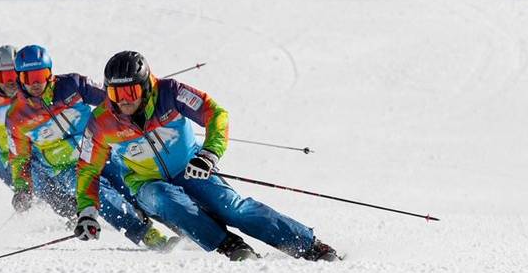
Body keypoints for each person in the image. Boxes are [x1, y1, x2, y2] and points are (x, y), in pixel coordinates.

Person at [75, 51, 339, 261]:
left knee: (233, 209)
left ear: (146, 86)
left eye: (130, 92)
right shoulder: (101, 122)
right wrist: (87, 211)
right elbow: (88, 168)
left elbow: (216, 114)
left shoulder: (170, 93)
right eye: (115, 93)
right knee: (165, 198)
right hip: (145, 183)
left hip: (191, 168)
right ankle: (228, 244)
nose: (123, 100)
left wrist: (209, 154)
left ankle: (307, 245)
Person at [6, 45, 175, 250]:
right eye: (28, 78)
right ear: (19, 78)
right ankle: (148, 235)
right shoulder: (16, 116)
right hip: (67, 168)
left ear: (49, 73)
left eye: (40, 76)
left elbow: (111, 100)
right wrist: (22, 188)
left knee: (135, 187)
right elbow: (19, 157)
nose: (35, 83)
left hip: (100, 150)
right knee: (103, 197)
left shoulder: (72, 85)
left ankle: (182, 227)